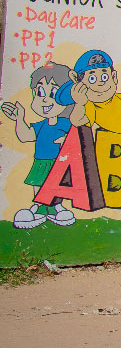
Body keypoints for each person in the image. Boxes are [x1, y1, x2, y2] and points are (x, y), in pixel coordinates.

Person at [2, 62, 78, 228]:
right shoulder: (41, 124)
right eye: (39, 92)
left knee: (57, 186)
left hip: (59, 163)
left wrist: (66, 140)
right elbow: (25, 136)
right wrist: (19, 119)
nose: (44, 99)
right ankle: (36, 209)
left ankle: (57, 208)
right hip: (41, 161)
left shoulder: (65, 123)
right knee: (39, 186)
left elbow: (76, 138)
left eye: (52, 93)